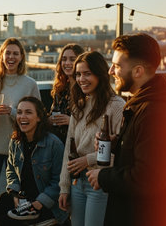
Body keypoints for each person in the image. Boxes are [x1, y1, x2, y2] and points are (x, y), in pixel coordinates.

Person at [86, 33, 166, 226]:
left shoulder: (158, 112)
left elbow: (148, 178)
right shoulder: (144, 105)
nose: (111, 71)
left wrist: (103, 177)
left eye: (117, 66)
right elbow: (144, 153)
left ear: (137, 71)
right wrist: (116, 145)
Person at [0, 96, 70, 226]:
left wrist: (39, 203)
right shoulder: (16, 141)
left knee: (2, 223)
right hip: (22, 199)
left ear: (39, 118)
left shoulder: (53, 144)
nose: (22, 116)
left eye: (28, 112)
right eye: (19, 112)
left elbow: (59, 181)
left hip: (45, 204)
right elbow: (11, 171)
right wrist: (13, 194)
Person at [57, 51, 125, 226]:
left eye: (87, 73)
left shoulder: (116, 106)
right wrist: (64, 188)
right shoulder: (79, 106)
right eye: (78, 74)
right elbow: (68, 148)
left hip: (99, 183)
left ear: (100, 74)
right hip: (76, 182)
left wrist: (88, 160)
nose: (81, 79)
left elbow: (120, 153)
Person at [0, 38, 41, 204]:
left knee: (17, 194)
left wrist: (13, 112)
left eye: (15, 53)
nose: (11, 57)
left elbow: (38, 116)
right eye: (8, 53)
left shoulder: (30, 84)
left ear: (21, 57)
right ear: (2, 56)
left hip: (19, 146)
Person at [49, 43, 85, 144]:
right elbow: (52, 113)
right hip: (58, 142)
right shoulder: (60, 89)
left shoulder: (85, 90)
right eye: (64, 59)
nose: (67, 63)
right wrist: (49, 120)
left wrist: (70, 121)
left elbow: (92, 124)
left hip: (76, 143)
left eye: (72, 59)